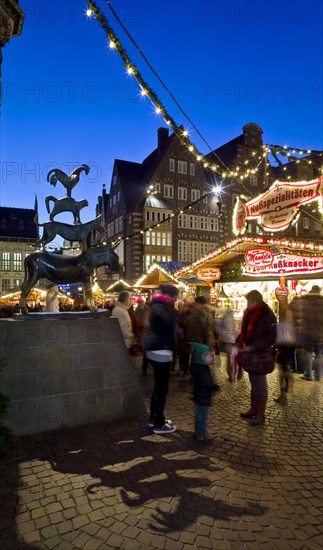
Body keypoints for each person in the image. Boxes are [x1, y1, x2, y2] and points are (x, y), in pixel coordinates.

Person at [236, 290, 277, 425]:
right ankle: (253, 409)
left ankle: (260, 414)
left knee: (260, 383)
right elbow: (245, 331)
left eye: (249, 301)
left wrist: (254, 347)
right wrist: (239, 343)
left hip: (261, 355)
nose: (247, 304)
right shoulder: (250, 313)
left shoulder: (267, 315)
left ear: (255, 301)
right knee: (253, 382)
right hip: (251, 355)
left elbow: (271, 337)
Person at [145, 284, 179, 434]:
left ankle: (153, 418)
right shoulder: (162, 307)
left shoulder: (157, 305)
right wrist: (174, 308)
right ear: (169, 296)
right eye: (175, 296)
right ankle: (159, 423)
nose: (177, 299)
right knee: (162, 388)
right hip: (161, 350)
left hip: (156, 349)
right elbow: (171, 322)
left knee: (158, 386)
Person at [290, 285, 323, 381]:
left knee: (308, 352)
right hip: (321, 332)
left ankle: (308, 374)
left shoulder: (304, 300)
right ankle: (318, 375)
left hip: (307, 331)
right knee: (320, 354)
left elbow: (295, 312)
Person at [189, 342, 219, 443]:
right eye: (210, 355)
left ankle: (198, 433)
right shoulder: (203, 370)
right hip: (203, 398)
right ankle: (201, 435)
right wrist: (215, 386)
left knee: (199, 416)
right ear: (203, 357)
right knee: (203, 417)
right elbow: (207, 383)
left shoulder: (198, 368)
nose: (212, 357)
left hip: (199, 397)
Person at [274, 301, 295, 401]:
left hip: (285, 346)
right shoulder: (291, 314)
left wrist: (279, 347)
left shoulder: (285, 316)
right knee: (284, 367)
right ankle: (284, 388)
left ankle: (283, 393)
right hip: (289, 346)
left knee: (282, 369)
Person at [135, 298, 150, 375]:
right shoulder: (146, 312)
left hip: (146, 335)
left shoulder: (144, 312)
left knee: (146, 353)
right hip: (147, 335)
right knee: (147, 353)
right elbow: (144, 324)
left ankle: (145, 368)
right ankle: (145, 369)